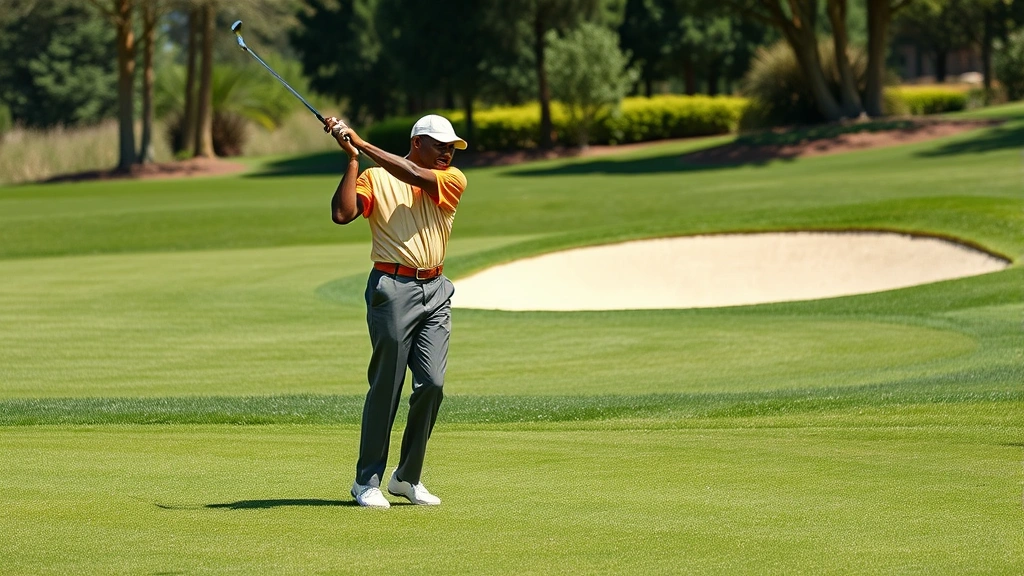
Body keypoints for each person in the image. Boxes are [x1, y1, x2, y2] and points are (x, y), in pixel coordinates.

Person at [324, 114, 468, 509]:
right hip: (392, 289)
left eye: (451, 147)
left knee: (433, 384)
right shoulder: (375, 178)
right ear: (417, 141)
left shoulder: (451, 179)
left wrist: (364, 142)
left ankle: (406, 477)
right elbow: (342, 214)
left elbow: (410, 174)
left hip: (436, 290)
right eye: (440, 145)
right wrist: (354, 159)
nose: (447, 153)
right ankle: (365, 481)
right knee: (386, 385)